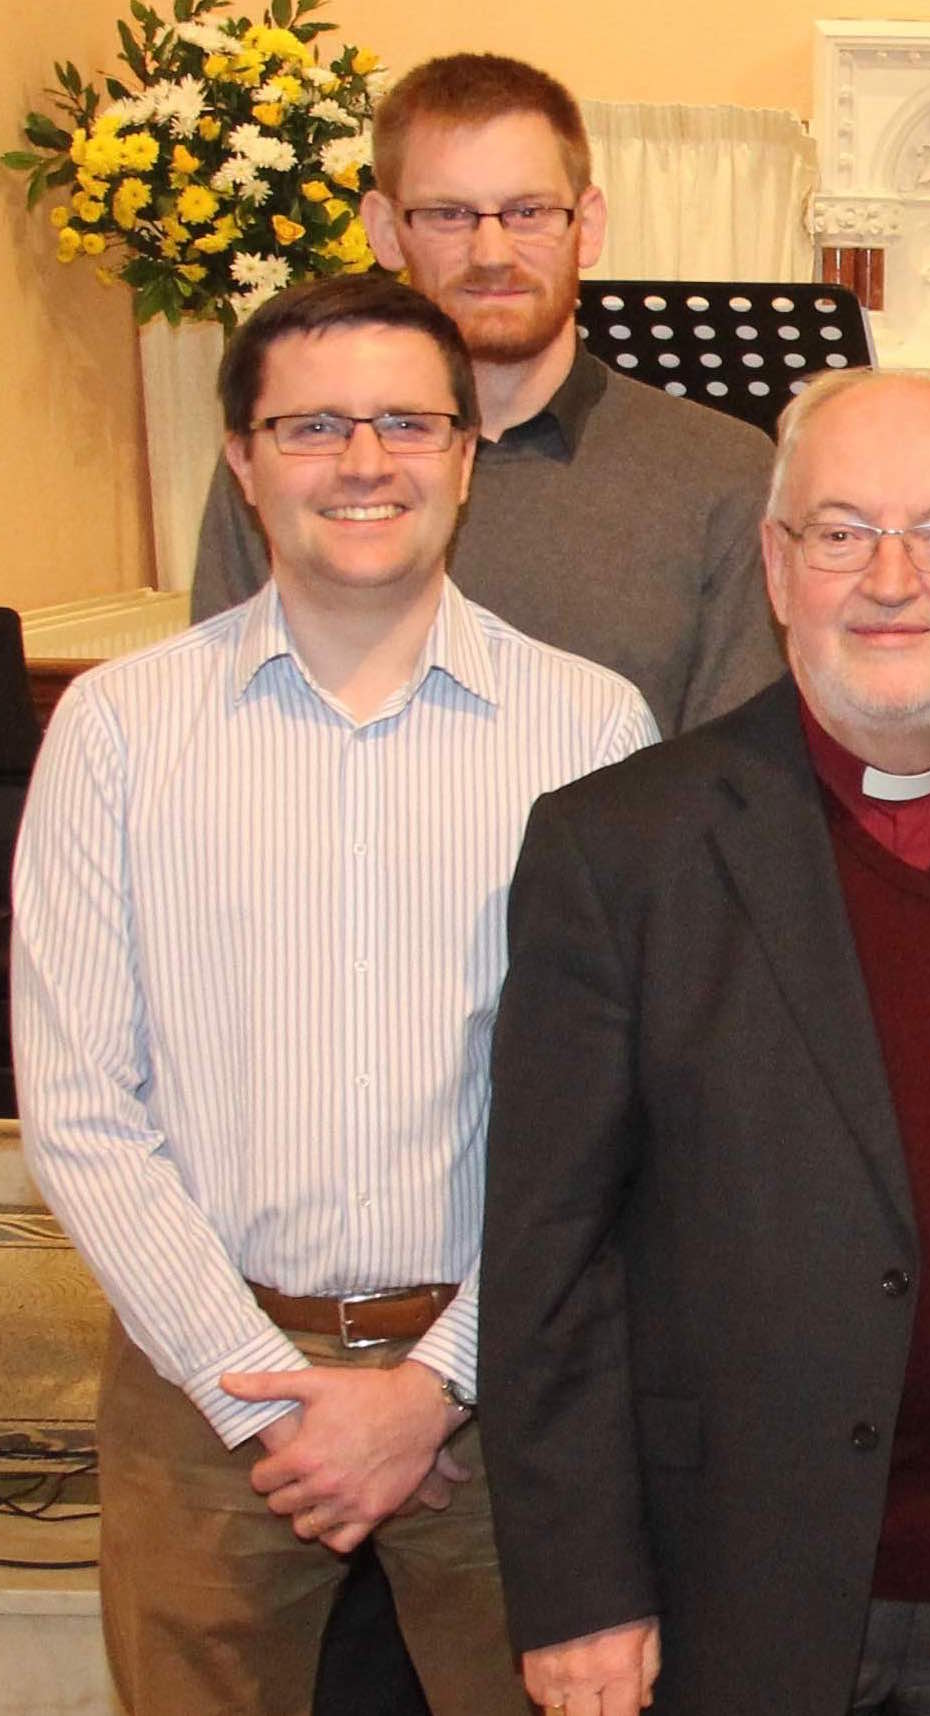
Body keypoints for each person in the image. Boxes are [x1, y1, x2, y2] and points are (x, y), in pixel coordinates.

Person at [13, 273, 653, 1714]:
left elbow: (624, 1112)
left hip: (508, 1393)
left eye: (407, 423)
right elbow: (76, 1111)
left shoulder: (593, 726)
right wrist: (254, 1383)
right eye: (312, 426)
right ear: (241, 461)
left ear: (465, 453)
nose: (365, 463)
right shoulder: (119, 732)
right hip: (203, 1389)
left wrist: (438, 1384)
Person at [479, 371, 930, 1714]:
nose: (892, 579)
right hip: (742, 1582)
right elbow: (549, 1262)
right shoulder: (619, 848)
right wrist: (579, 1592)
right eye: (842, 532)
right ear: (778, 568)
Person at [193, 52, 781, 737]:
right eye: (448, 214)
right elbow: (225, 726)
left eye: (528, 211)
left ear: (586, 224)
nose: (493, 253)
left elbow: (732, 780)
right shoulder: (301, 461)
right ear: (385, 229)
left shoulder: (721, 470)